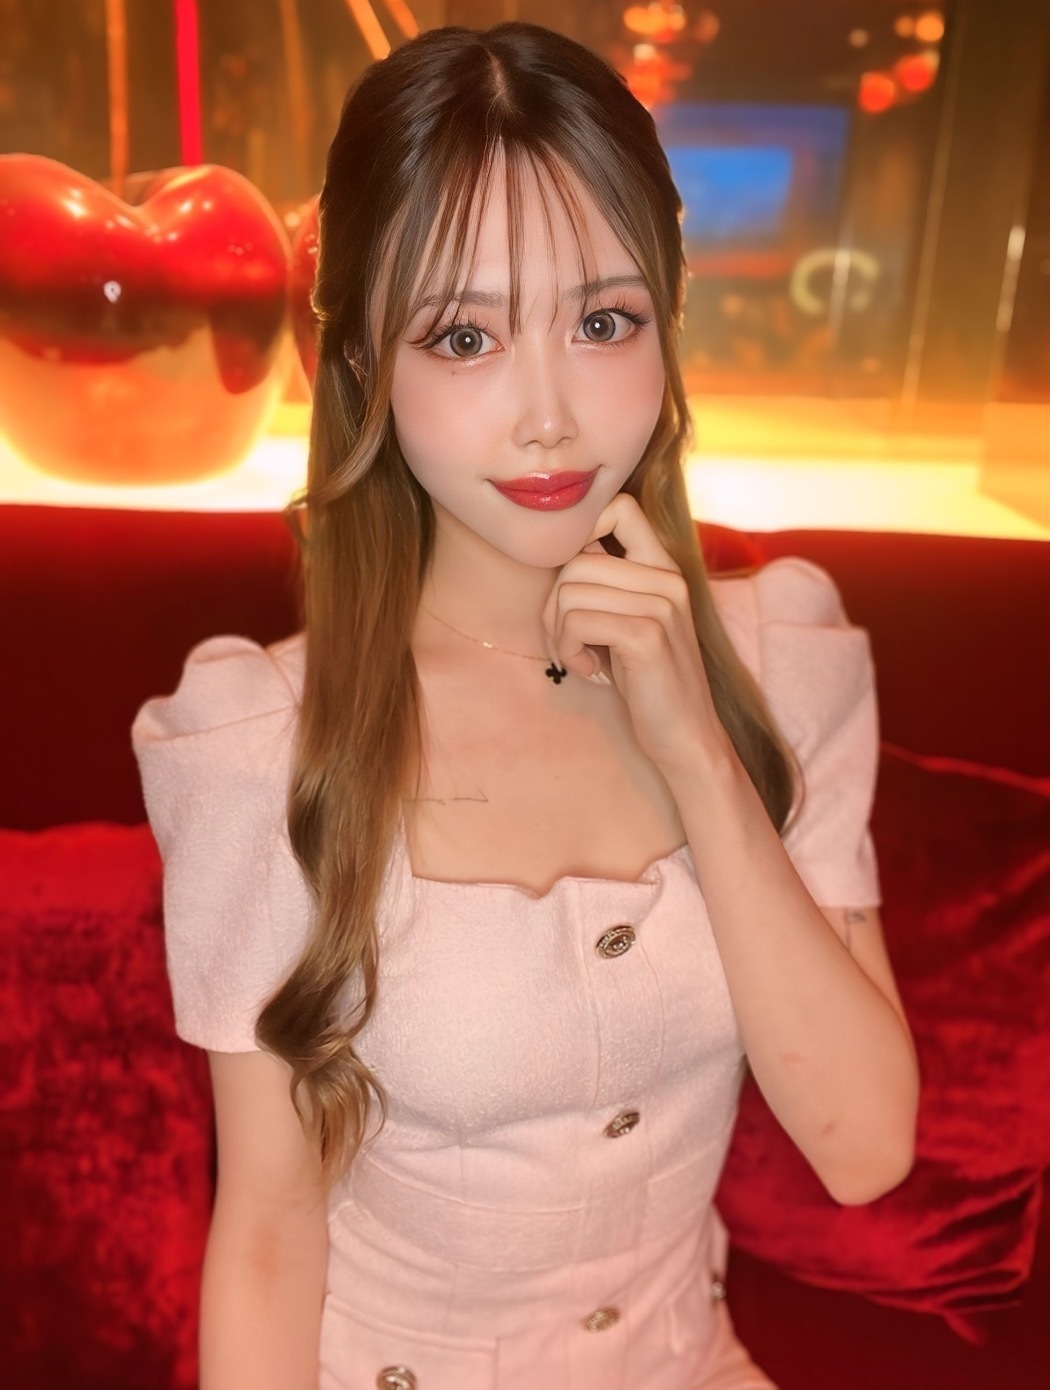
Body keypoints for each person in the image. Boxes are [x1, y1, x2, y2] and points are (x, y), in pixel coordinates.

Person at [133, 22, 919, 1390]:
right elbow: (265, 1232)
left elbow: (864, 1147)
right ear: (363, 361)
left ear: (669, 319)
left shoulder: (782, 654)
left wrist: (695, 748)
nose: (550, 415)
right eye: (465, 336)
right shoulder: (263, 744)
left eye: (603, 322)